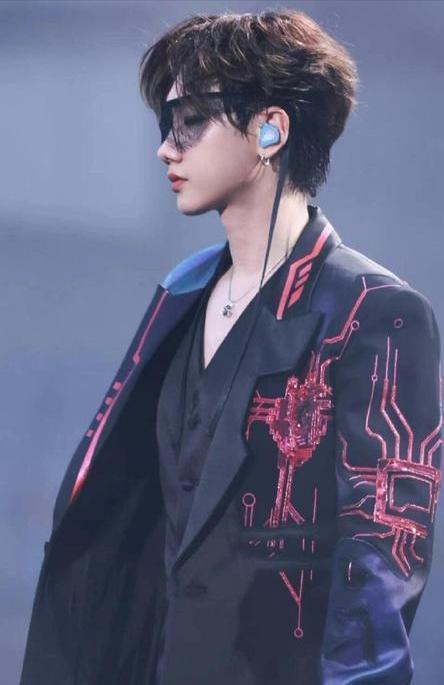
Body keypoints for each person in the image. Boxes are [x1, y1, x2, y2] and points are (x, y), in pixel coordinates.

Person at [20, 9, 442, 685]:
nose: (167, 148)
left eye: (189, 120)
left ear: (270, 129)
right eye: (165, 125)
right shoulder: (180, 298)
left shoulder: (375, 313)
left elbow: (383, 560)